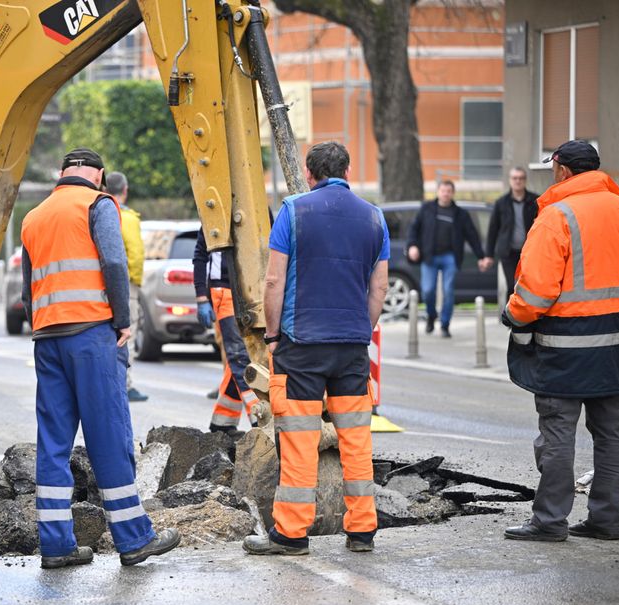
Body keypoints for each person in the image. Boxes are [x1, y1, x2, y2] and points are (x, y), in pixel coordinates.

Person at [21, 148, 180, 568]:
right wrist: (122, 319)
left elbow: (27, 290)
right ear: (100, 175)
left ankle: (56, 547)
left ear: (61, 173)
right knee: (108, 435)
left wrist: (43, 325)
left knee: (53, 443)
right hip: (91, 334)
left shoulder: (33, 217)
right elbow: (113, 259)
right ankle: (133, 539)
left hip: (48, 337)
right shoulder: (98, 204)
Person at [243, 141, 389, 556]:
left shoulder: (293, 211)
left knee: (300, 441)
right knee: (357, 439)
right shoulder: (375, 218)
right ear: (347, 170)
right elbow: (378, 287)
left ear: (309, 174)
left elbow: (273, 281)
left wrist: (272, 336)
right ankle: (361, 530)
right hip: (351, 348)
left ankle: (291, 534)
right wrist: (361, 328)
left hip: (300, 345)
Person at [502, 140, 619, 543]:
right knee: (611, 432)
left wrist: (513, 315)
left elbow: (533, 294)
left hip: (564, 346)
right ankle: (606, 520)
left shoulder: (556, 216)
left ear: (562, 170)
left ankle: (549, 521)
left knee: (559, 433)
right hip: (617, 344)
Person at [193, 229, 260, 434]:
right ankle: (259, 419)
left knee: (240, 358)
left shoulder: (254, 206)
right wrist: (201, 297)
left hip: (252, 291)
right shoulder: (214, 213)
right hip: (226, 292)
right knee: (240, 357)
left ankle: (223, 423)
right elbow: (201, 256)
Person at [406, 180, 488, 338]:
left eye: (448, 191)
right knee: (428, 290)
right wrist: (412, 246)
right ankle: (431, 316)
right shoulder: (427, 209)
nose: (445, 194)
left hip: (450, 256)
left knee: (448, 291)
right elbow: (413, 229)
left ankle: (445, 324)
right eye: (443, 191)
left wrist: (481, 256)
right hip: (429, 256)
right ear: (438, 192)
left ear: (452, 193)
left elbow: (472, 236)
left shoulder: (460, 214)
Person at [104, 171, 148, 402]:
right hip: (126, 284)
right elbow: (135, 254)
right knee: (126, 333)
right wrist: (135, 281)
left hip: (102, 285)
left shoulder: (99, 211)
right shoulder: (128, 218)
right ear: (125, 189)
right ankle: (126, 384)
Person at [484, 167, 539, 300]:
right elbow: (493, 230)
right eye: (515, 178)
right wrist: (489, 255)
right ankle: (512, 317)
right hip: (508, 252)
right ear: (510, 180)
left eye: (521, 178)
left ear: (525, 180)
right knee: (511, 285)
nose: (518, 181)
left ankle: (528, 316)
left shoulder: (535, 201)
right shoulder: (501, 203)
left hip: (529, 252)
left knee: (528, 285)